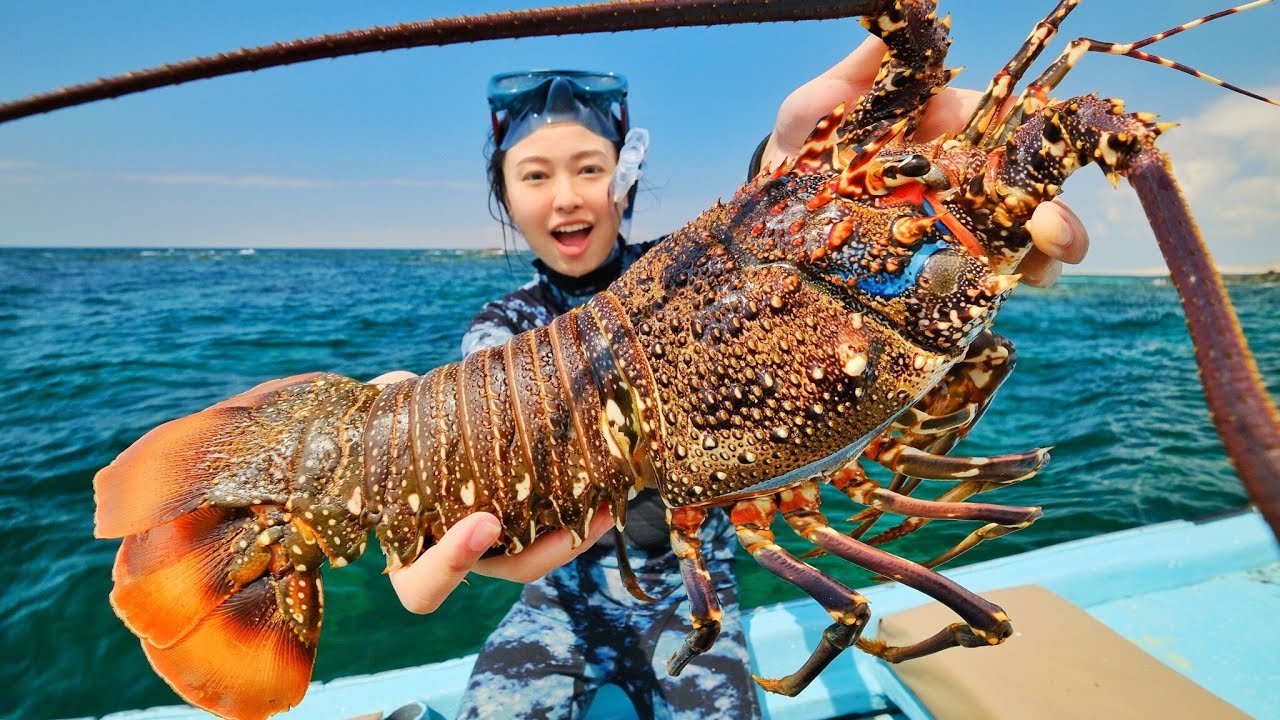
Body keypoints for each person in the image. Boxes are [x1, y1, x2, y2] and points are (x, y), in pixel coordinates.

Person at [386, 36, 1090, 719]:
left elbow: (764, 231)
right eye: (535, 175)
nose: (567, 197)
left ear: (626, 176)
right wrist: (401, 476)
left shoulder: (704, 254)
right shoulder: (502, 328)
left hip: (693, 598)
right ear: (503, 196)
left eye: (590, 168)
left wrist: (789, 158)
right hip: (556, 598)